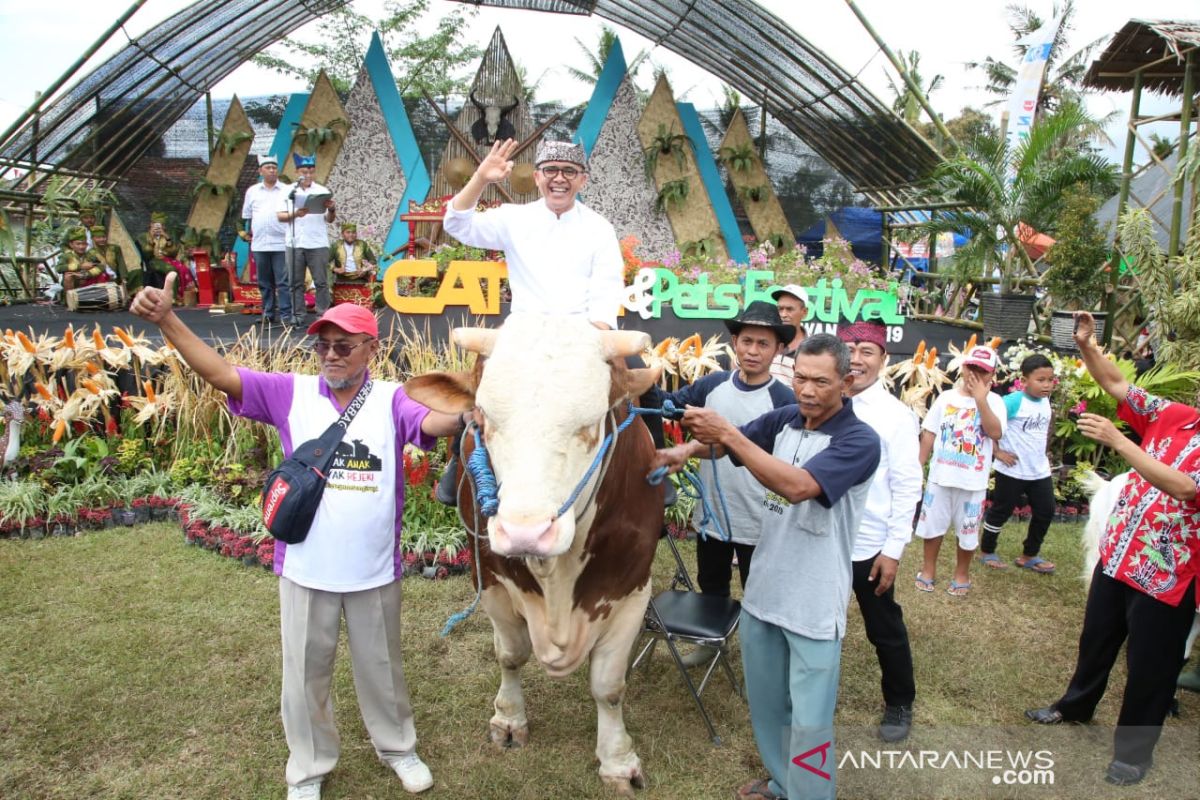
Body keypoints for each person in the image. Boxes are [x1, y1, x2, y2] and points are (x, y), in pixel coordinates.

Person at [129, 273, 466, 800]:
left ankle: (398, 747)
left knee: (382, 668)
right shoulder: (288, 393)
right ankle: (308, 767)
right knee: (305, 674)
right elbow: (221, 374)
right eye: (323, 345)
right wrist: (168, 320)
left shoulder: (390, 399)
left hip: (373, 569)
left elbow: (433, 421)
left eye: (343, 346)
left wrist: (473, 415)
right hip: (307, 568)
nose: (330, 355)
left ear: (370, 348)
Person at [655, 334, 880, 800]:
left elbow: (799, 486)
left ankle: (811, 794)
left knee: (810, 720)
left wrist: (727, 433)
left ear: (846, 380)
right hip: (764, 593)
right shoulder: (784, 420)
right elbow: (729, 448)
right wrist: (687, 451)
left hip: (813, 605)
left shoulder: (860, 441)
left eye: (821, 381)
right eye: (799, 378)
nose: (808, 390)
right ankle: (782, 783)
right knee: (769, 707)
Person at [1026, 311, 1200, 787]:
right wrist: (1087, 346)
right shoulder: (1179, 418)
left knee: (1151, 667)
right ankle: (1075, 706)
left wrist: (1120, 442)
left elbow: (1185, 488)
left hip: (1167, 576)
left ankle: (1133, 753)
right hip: (1121, 554)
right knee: (1096, 640)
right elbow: (1120, 385)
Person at [659, 301, 794, 597]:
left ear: (778, 349)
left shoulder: (786, 401)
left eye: (763, 344)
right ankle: (711, 643)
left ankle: (756, 643)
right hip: (713, 515)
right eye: (746, 341)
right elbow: (667, 405)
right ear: (735, 343)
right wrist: (638, 378)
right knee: (711, 585)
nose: (753, 351)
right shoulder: (712, 385)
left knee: (758, 591)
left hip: (758, 521)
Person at [838, 321, 922, 743]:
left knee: (883, 625)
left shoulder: (895, 416)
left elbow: (908, 485)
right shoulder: (821, 403)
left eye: (867, 351)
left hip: (869, 544)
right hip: (823, 539)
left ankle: (900, 700)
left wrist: (893, 550)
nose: (856, 359)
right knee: (819, 623)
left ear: (884, 360)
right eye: (849, 349)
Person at [442, 138, 624, 330]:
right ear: (537, 177)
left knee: (635, 361)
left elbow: (607, 288)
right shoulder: (514, 218)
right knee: (484, 360)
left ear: (583, 180)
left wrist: (595, 337)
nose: (560, 178)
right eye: (550, 169)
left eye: (569, 171)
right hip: (523, 330)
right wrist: (480, 178)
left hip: (583, 331)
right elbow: (457, 225)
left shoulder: (600, 228)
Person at [914, 345, 1006, 597]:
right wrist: (918, 467)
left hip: (972, 481)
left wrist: (980, 400)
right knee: (933, 526)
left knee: (967, 531)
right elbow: (929, 433)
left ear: (992, 375)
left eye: (983, 371)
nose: (975, 375)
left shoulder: (995, 402)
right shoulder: (946, 398)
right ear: (963, 367)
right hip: (940, 478)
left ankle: (961, 573)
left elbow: (995, 432)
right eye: (972, 368)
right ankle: (928, 569)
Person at [979, 353, 1057, 573]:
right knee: (1001, 511)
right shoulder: (1013, 401)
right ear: (1023, 381)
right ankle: (987, 551)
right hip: (1012, 470)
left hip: (1038, 470)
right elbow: (989, 424)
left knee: (1046, 510)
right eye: (1040, 380)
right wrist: (997, 452)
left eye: (1050, 380)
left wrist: (1044, 452)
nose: (1047, 385)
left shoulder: (1045, 401)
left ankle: (1029, 555)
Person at [277, 153, 336, 321]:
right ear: (297, 172)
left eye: (311, 172)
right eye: (304, 172)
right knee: (295, 282)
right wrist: (296, 213)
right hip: (294, 243)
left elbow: (329, 219)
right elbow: (280, 216)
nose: (308, 175)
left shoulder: (322, 191)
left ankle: (323, 314)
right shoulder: (288, 191)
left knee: (321, 281)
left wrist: (332, 209)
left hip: (317, 242)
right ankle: (298, 314)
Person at [240, 154, 292, 326]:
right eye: (268, 168)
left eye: (274, 168)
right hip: (260, 243)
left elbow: (294, 213)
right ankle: (268, 313)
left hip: (281, 243)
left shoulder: (286, 189)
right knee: (264, 281)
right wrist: (246, 233)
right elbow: (247, 215)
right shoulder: (252, 191)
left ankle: (285, 314)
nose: (271, 170)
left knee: (283, 281)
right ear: (260, 171)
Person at [137, 211, 188, 295]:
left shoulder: (165, 235)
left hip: (167, 259)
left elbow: (173, 253)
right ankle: (172, 297)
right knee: (172, 270)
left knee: (184, 269)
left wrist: (167, 238)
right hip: (154, 260)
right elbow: (147, 253)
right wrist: (151, 237)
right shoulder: (143, 236)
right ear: (151, 224)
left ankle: (182, 295)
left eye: (161, 225)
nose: (159, 228)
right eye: (157, 225)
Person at [768, 284, 808, 382]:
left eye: (789, 309)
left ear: (804, 312)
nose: (783, 314)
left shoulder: (814, 348)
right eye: (780, 309)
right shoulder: (764, 340)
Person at [89, 225, 138, 291]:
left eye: (103, 237)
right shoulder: (90, 253)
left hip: (116, 280)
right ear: (93, 238)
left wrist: (123, 278)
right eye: (98, 237)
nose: (102, 239)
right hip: (101, 282)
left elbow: (121, 264)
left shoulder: (115, 248)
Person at [59, 226, 107, 291]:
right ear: (71, 245)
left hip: (87, 280)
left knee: (102, 274)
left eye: (84, 244)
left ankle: (100, 297)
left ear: (87, 245)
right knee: (68, 276)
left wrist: (85, 274)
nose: (81, 247)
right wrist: (80, 267)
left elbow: (101, 266)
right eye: (78, 244)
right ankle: (71, 299)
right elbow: (59, 268)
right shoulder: (66, 256)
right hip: (74, 283)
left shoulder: (90, 255)